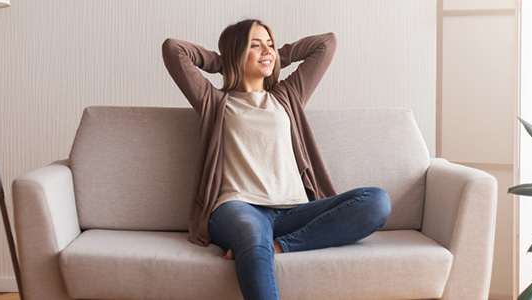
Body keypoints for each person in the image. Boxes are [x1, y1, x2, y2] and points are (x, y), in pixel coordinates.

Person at [162, 19, 391, 300]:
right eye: (255, 45)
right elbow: (174, 50)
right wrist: (224, 60)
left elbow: (326, 43)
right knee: (251, 235)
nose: (266, 51)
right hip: (237, 208)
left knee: (377, 201)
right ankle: (260, 244)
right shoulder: (215, 101)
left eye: (269, 44)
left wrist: (275, 56)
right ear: (236, 54)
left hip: (293, 212)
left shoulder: (287, 96)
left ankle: (280, 245)